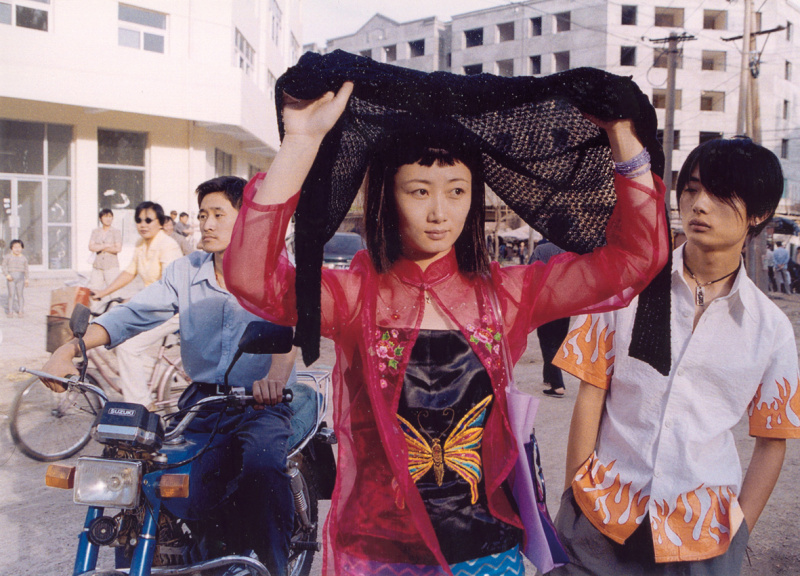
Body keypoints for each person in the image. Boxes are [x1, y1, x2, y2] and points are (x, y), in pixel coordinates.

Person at [223, 81, 668, 575]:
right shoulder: (354, 297)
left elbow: (635, 259)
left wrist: (624, 139)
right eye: (419, 191)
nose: (440, 212)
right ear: (386, 197)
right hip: (380, 551)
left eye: (457, 191)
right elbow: (251, 277)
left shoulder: (507, 295)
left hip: (485, 549)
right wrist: (300, 141)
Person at [551, 137, 800, 575]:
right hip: (601, 517)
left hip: (702, 536)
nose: (699, 204)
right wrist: (574, 494)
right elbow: (591, 393)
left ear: (759, 213)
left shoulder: (770, 329)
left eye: (721, 194)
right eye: (692, 189)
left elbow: (771, 440)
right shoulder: (626, 288)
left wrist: (739, 530)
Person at [43, 176, 297, 576]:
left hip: (260, 403)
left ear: (248, 219)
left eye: (219, 215)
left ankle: (273, 565)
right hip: (203, 403)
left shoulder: (275, 273)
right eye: (202, 215)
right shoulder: (186, 271)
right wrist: (70, 348)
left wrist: (275, 380)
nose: (206, 224)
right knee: (153, 475)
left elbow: (291, 327)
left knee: (261, 466)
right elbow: (132, 315)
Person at [92, 201, 183, 406]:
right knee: (116, 338)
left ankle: (141, 405)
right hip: (152, 308)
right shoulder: (141, 244)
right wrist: (103, 293)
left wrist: (134, 299)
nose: (143, 224)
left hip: (173, 310)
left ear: (160, 222)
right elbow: (129, 272)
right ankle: (163, 376)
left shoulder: (168, 245)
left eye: (148, 220)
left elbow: (167, 285)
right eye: (139, 220)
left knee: (128, 348)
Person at [529, 239, 570, 397]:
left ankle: (557, 386)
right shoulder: (570, 249)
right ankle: (548, 377)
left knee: (547, 343)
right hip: (566, 303)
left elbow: (530, 274)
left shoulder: (542, 249)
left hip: (546, 302)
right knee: (557, 342)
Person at [88, 208, 123, 295]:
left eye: (110, 217)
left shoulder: (116, 232)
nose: (108, 219)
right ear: (100, 218)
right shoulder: (95, 231)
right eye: (105, 217)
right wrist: (106, 245)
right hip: (97, 266)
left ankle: (115, 304)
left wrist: (99, 247)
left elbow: (118, 248)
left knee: (114, 292)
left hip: (111, 266)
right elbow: (91, 247)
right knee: (94, 291)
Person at [3, 239, 29, 318]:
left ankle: (20, 310)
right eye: (15, 247)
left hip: (20, 278)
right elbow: (3, 266)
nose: (17, 249)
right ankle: (10, 311)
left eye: (19, 247)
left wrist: (27, 279)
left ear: (22, 248)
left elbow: (26, 269)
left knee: (20, 294)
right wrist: (7, 275)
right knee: (11, 294)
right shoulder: (8, 257)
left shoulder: (24, 258)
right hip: (11, 278)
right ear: (11, 248)